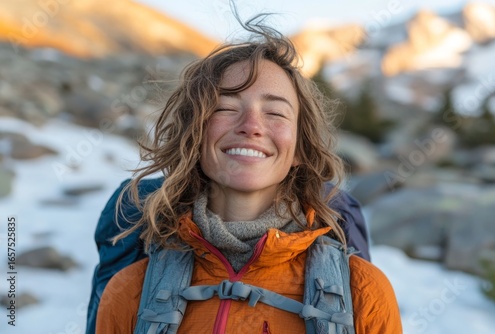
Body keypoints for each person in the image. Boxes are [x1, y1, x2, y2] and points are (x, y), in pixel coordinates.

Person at [93, 14, 402, 334]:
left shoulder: (364, 292)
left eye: (275, 113)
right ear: (195, 135)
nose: (251, 126)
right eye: (225, 107)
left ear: (299, 149)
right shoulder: (130, 291)